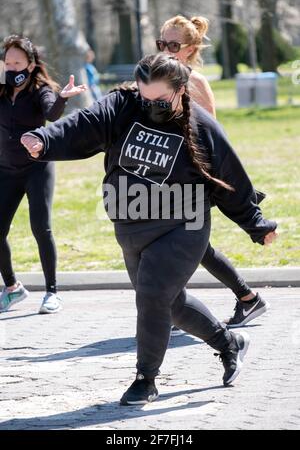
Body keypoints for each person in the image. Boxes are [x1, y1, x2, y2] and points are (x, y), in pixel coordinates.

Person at [21, 53, 277, 405]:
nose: (151, 105)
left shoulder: (200, 126)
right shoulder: (123, 105)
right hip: (131, 223)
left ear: (180, 90)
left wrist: (256, 224)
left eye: (160, 100)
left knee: (152, 295)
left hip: (183, 224)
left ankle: (146, 379)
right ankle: (230, 343)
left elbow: (230, 177)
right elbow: (84, 123)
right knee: (170, 304)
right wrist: (44, 139)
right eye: (145, 97)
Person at [157, 15, 271, 331]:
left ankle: (238, 300)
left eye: (173, 45)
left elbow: (212, 136)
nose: (165, 50)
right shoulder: (158, 78)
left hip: (193, 177)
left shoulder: (196, 82)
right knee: (187, 244)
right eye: (161, 43)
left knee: (183, 243)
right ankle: (244, 299)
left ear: (190, 49)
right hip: (167, 175)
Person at [0, 34, 87, 314]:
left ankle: (52, 292)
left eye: (18, 62)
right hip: (7, 169)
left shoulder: (41, 88)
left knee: (41, 227)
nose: (13, 67)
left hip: (37, 167)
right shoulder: (1, 90)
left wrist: (62, 98)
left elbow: (52, 114)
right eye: (8, 62)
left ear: (31, 63)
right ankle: (12, 288)